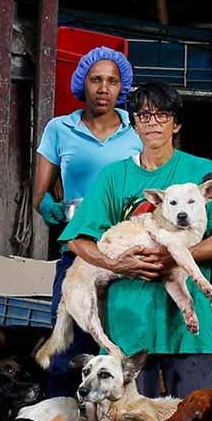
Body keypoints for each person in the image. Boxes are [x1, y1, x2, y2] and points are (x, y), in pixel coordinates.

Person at [59, 81, 212, 398]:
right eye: (143, 115)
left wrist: (176, 255)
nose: (152, 122)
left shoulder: (203, 172)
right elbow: (77, 241)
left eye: (161, 115)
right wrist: (117, 262)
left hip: (187, 333)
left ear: (176, 123)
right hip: (127, 332)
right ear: (133, 124)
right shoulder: (114, 176)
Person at [30, 47, 143, 394]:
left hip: (125, 253)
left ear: (122, 87)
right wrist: (47, 205)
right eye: (96, 80)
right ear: (83, 84)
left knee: (118, 342)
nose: (104, 88)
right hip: (78, 250)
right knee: (67, 343)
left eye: (112, 81)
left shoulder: (137, 130)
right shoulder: (58, 129)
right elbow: (39, 194)